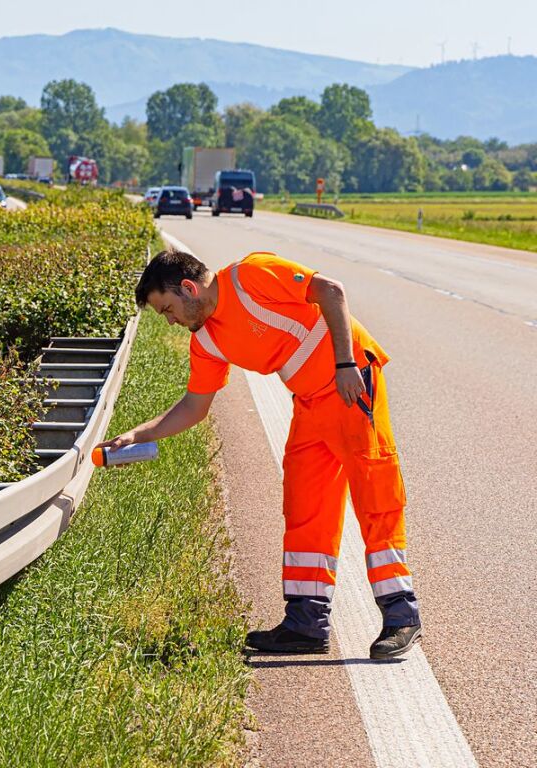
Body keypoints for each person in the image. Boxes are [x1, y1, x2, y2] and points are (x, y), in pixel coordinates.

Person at [97, 249, 422, 659]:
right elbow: (194, 408)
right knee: (305, 506)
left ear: (188, 287)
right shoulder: (207, 340)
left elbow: (332, 292)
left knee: (375, 500)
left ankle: (401, 615)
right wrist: (135, 434)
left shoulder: (250, 276)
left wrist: (344, 364)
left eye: (168, 309)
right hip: (309, 402)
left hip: (352, 384)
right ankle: (306, 623)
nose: (171, 321)